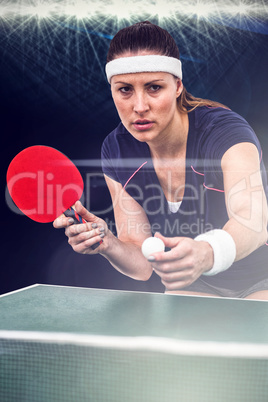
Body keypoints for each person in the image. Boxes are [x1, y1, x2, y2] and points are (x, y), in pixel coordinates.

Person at [54, 21, 268, 299]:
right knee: (181, 333)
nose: (139, 106)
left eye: (154, 88)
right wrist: (107, 243)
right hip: (194, 283)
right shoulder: (117, 149)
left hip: (262, 276)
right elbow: (143, 264)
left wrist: (207, 252)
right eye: (125, 89)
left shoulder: (226, 132)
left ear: (177, 86)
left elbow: (252, 222)